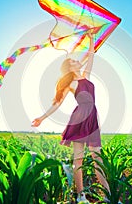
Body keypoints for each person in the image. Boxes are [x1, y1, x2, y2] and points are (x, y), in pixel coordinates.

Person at [32, 31, 110, 203]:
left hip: (92, 118)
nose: (77, 61)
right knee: (79, 159)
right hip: (79, 119)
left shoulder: (87, 76)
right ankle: (81, 196)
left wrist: (91, 39)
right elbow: (57, 103)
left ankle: (108, 196)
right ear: (70, 67)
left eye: (76, 60)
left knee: (98, 159)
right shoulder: (70, 84)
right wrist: (42, 117)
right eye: (74, 61)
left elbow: (91, 56)